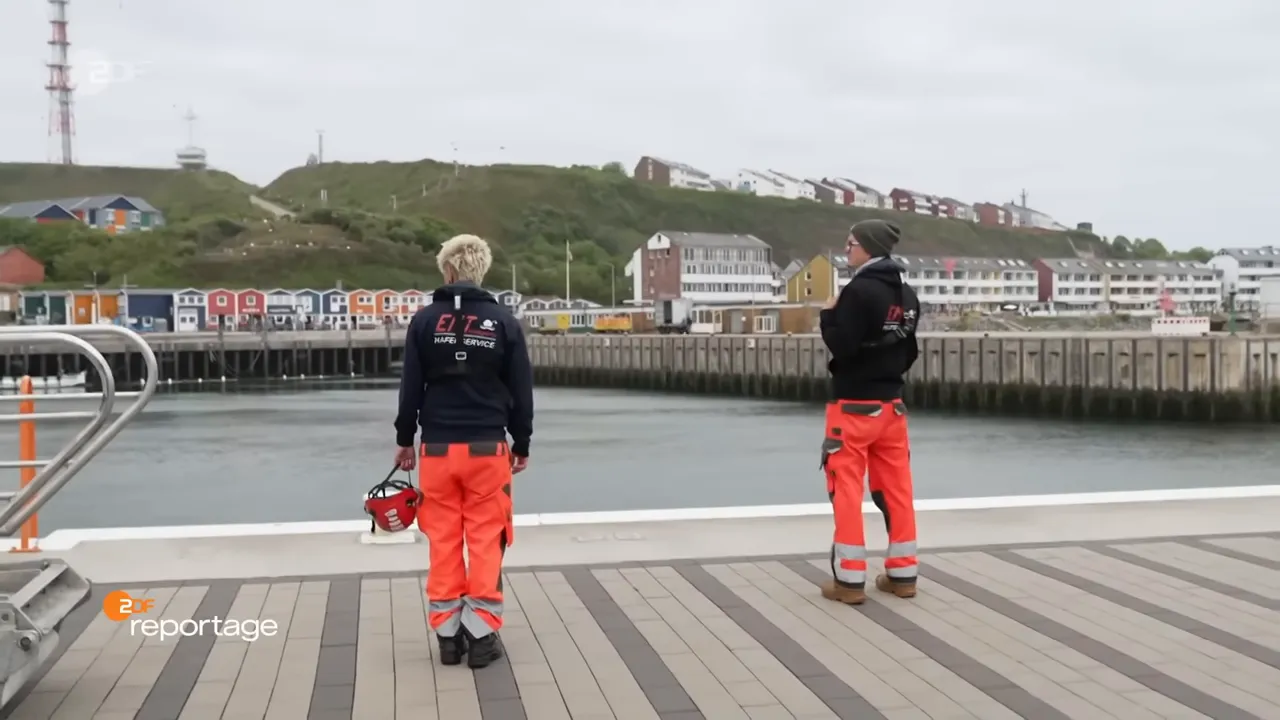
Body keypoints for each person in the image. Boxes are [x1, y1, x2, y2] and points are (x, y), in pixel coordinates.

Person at [393, 233, 534, 668]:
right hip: (486, 450)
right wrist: (521, 441)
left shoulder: (423, 321)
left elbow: (411, 387)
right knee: (487, 538)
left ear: (448, 271)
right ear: (480, 271)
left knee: (444, 540)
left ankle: (448, 636)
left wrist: (405, 440)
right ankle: (481, 634)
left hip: (436, 450)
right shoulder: (504, 323)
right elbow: (521, 390)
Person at [818, 219, 921, 605]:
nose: (847, 251)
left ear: (867, 247)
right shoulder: (906, 294)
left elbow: (843, 347)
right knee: (896, 490)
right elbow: (909, 351)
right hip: (892, 407)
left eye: (850, 245)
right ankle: (902, 574)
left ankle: (848, 582)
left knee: (845, 490)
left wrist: (828, 316)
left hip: (854, 407)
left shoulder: (857, 292)